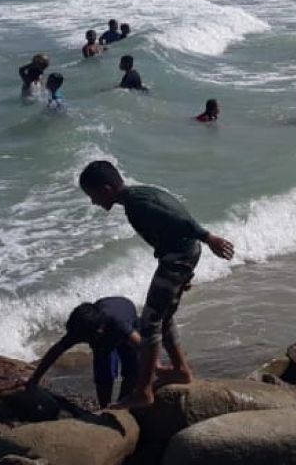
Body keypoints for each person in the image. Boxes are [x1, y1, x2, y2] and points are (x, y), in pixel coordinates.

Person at [77, 161, 235, 408]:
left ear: (106, 189)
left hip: (178, 256)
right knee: (164, 316)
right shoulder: (139, 195)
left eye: (93, 195)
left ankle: (143, 391)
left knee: (150, 322)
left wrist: (208, 237)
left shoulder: (137, 205)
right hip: (181, 256)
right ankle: (181, 371)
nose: (93, 202)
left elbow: (177, 217)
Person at [25, 297, 140, 407]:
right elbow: (56, 351)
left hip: (126, 312)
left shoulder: (120, 326)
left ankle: (123, 405)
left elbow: (144, 348)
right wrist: (35, 379)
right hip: (104, 313)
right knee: (103, 371)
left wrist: (157, 369)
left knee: (131, 369)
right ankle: (105, 408)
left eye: (87, 340)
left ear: (98, 332)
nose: (88, 345)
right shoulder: (81, 327)